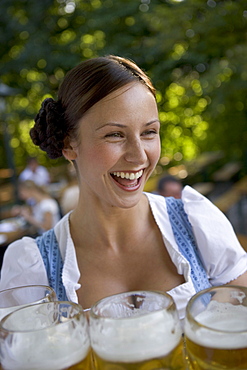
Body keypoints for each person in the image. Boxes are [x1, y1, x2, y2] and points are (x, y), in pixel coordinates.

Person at [0, 56, 246, 320]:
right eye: (115, 134)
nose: (139, 156)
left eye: (149, 132)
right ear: (69, 143)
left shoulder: (197, 225)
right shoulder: (31, 270)